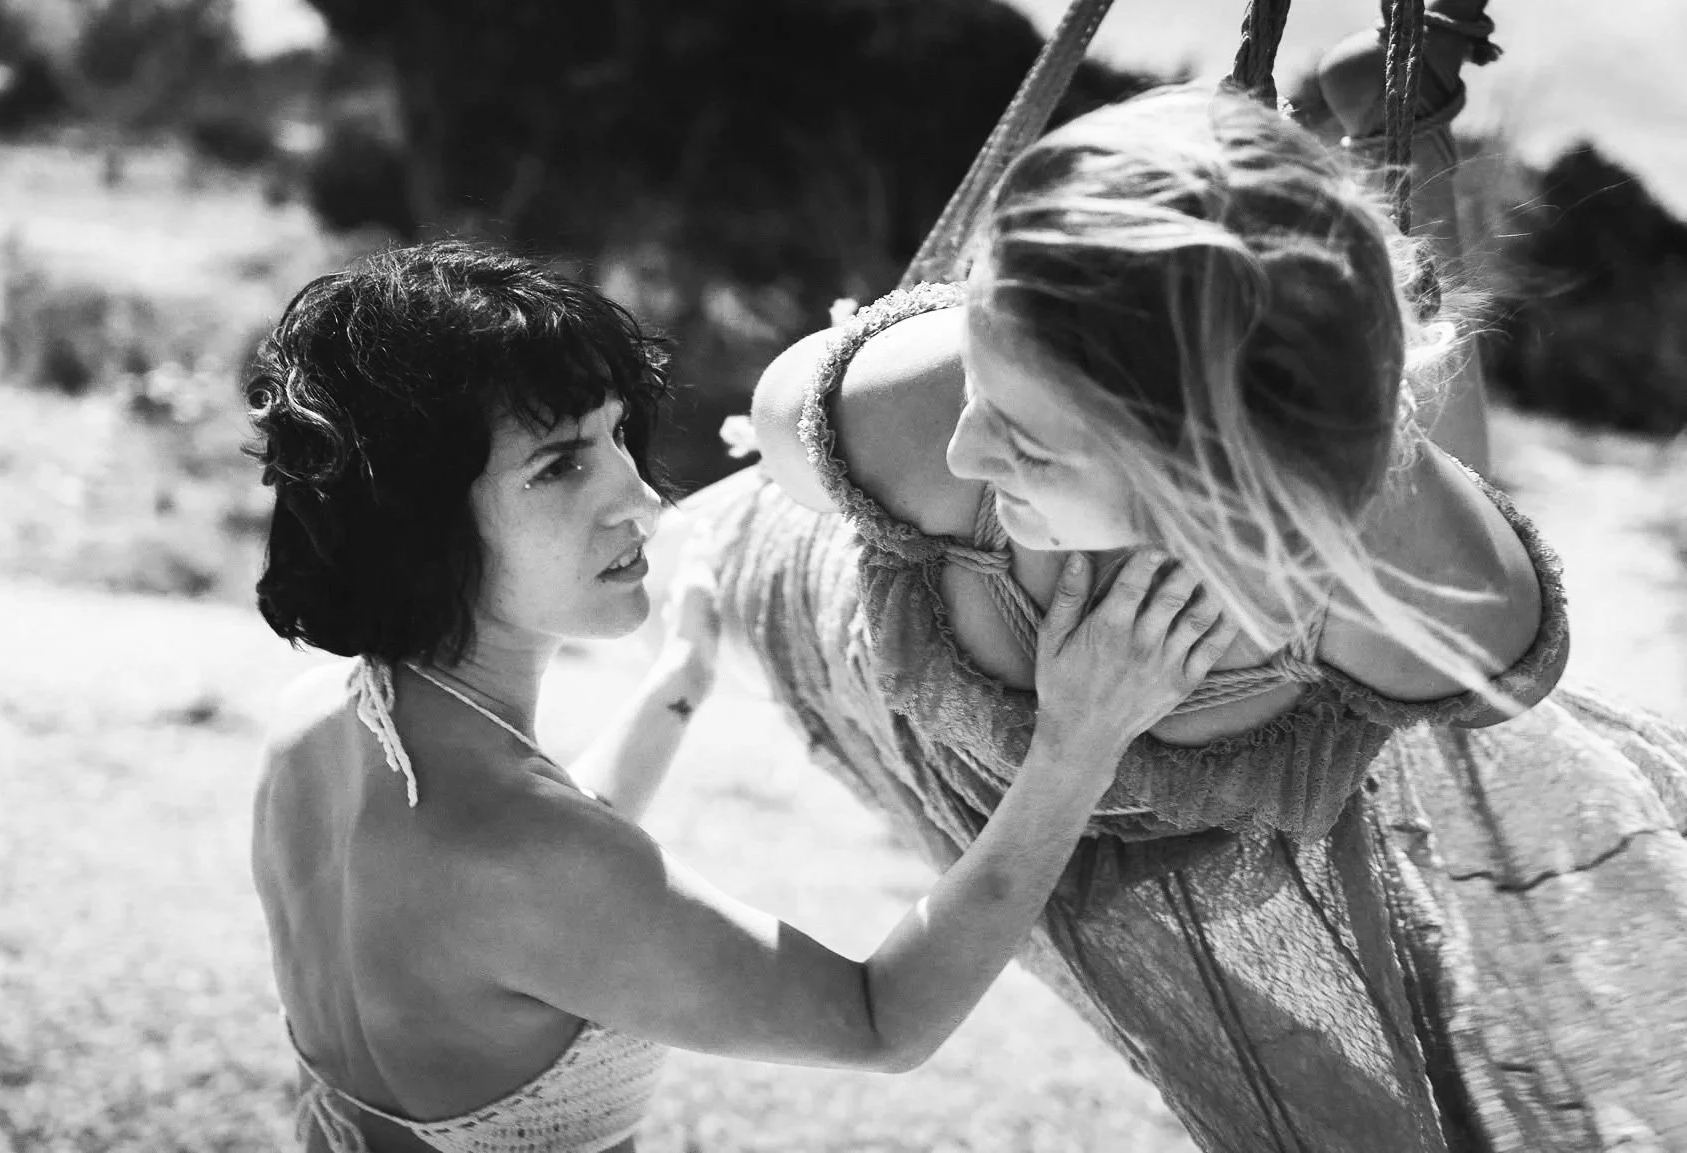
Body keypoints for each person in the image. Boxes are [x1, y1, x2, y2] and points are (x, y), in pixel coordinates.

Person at [696, 37, 1687, 1153]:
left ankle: (1397, 147)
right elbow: (783, 446)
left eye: (1023, 437)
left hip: (1230, 788)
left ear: (1201, 471)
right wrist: (1074, 725)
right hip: (900, 706)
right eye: (983, 387)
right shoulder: (912, 416)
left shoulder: (1432, 609)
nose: (973, 450)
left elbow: (1410, 461)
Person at [244, 242, 1239, 1152]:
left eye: (616, 437)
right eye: (560, 465)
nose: (638, 496)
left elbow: (514, 899)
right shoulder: (525, 856)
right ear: (416, 523)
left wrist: (676, 687)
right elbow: (877, 1019)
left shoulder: (316, 726)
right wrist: (1074, 745)